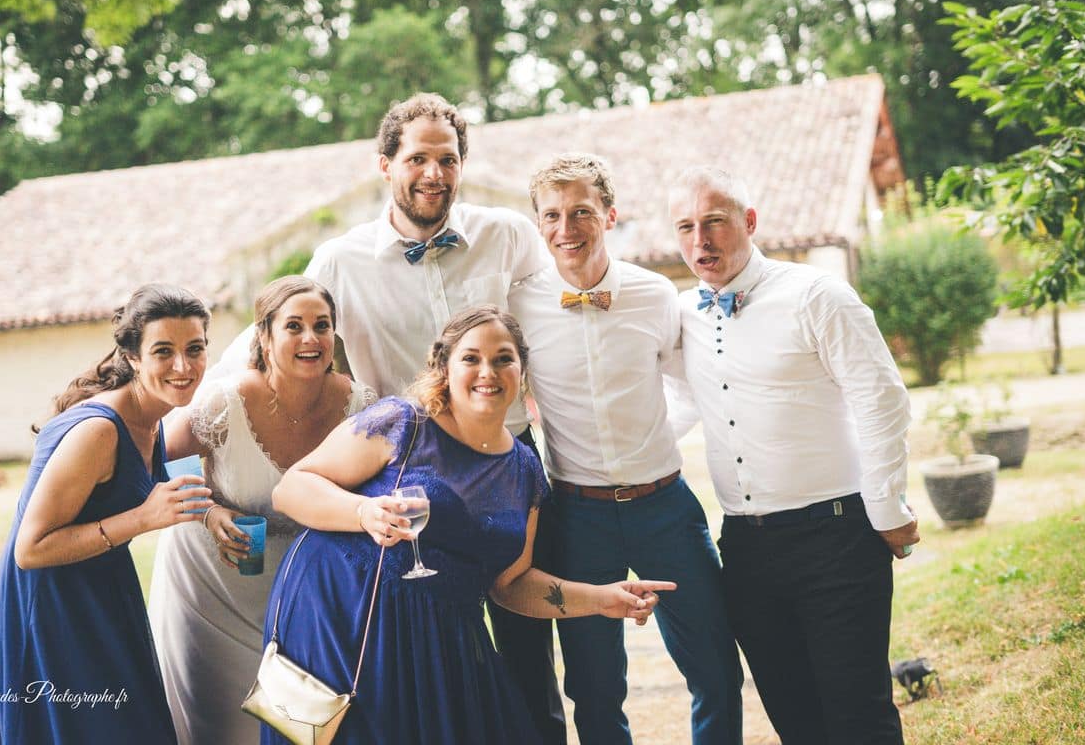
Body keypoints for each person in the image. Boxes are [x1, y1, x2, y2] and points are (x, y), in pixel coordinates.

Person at [260, 305, 674, 745]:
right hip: (344, 613)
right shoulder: (402, 423)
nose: (487, 372)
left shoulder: (524, 471)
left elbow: (511, 584)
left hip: (440, 637)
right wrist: (361, 513)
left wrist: (601, 599)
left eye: (503, 359)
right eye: (471, 358)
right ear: (444, 365)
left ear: (521, 370)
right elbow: (292, 488)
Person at [302, 92, 566, 741]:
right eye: (418, 158)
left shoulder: (507, 234)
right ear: (385, 165)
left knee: (529, 647)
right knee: (424, 650)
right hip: (404, 473)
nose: (434, 173)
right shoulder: (339, 261)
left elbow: (560, 323)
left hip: (505, 463)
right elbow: (273, 342)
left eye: (447, 159)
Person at [667, 166, 919, 745]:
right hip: (747, 548)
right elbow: (679, 402)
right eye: (686, 227)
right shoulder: (681, 313)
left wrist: (887, 508)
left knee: (858, 715)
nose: (700, 240)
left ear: (749, 222)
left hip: (837, 538)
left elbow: (881, 398)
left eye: (715, 222)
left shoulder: (817, 295)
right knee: (792, 714)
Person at [509, 154, 743, 745]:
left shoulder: (655, 293)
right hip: (576, 515)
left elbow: (687, 385)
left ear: (609, 216)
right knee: (593, 686)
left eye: (582, 211)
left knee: (714, 668)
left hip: (665, 508)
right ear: (538, 225)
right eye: (554, 215)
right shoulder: (519, 305)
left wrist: (653, 440)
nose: (569, 228)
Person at [0, 284, 215, 745]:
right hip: (47, 606)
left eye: (195, 349)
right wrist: (144, 519)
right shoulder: (99, 431)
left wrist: (213, 515)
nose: (183, 366)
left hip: (102, 590)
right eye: (163, 351)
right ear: (132, 358)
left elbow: (154, 490)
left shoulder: (151, 419)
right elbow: (30, 549)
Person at [147, 276, 376, 744]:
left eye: (322, 325)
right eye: (294, 326)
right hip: (213, 591)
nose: (311, 338)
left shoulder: (359, 406)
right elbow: (153, 457)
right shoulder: (224, 403)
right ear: (265, 338)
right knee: (224, 728)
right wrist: (207, 512)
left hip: (304, 598)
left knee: (302, 725)